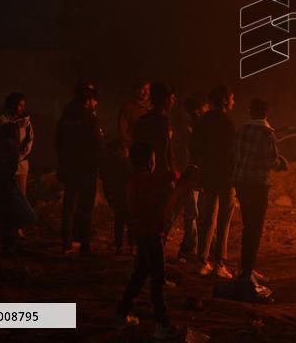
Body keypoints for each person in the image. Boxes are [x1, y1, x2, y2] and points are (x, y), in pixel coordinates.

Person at [115, 141, 193, 340]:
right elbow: (166, 203)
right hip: (152, 235)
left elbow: (166, 178)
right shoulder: (149, 182)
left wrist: (177, 177)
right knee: (157, 280)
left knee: (140, 274)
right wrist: (182, 185)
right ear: (151, 160)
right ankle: (162, 324)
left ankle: (122, 312)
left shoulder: (135, 181)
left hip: (142, 234)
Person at [231, 98, 289, 299]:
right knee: (255, 228)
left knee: (248, 225)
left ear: (249, 111)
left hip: (241, 183)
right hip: (257, 185)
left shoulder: (241, 131)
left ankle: (247, 269)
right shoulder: (266, 134)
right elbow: (271, 160)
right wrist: (281, 164)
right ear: (267, 113)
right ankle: (247, 273)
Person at [191, 84, 237, 278]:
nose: (234, 102)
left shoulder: (203, 121)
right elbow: (233, 152)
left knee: (207, 218)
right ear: (225, 101)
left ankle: (202, 261)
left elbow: (194, 149)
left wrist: (200, 171)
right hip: (226, 177)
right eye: (232, 98)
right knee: (223, 221)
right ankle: (219, 263)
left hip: (208, 176)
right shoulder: (227, 122)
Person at [56, 86, 104, 255]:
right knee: (86, 207)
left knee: (69, 206)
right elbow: (97, 143)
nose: (96, 103)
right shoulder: (90, 118)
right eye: (94, 100)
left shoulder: (66, 116)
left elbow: (58, 141)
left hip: (70, 167)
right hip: (87, 168)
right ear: (87, 101)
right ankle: (85, 244)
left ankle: (67, 243)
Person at [174, 93, 208, 261]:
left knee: (197, 213)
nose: (207, 110)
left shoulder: (197, 128)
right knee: (191, 213)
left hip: (197, 176)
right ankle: (191, 248)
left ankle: (195, 247)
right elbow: (181, 154)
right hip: (190, 176)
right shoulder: (186, 130)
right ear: (197, 110)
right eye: (205, 107)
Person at [0, 93, 34, 202]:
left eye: (23, 105)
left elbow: (29, 140)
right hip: (5, 163)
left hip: (21, 163)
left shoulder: (26, 122)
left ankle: (20, 219)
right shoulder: (3, 120)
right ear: (12, 105)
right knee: (6, 196)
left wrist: (19, 156)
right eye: (20, 105)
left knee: (21, 196)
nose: (22, 108)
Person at [134, 83, 176, 176]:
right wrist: (170, 175)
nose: (174, 101)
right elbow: (162, 154)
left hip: (144, 174)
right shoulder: (161, 122)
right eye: (172, 98)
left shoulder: (144, 120)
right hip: (157, 176)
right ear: (165, 100)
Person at [102, 138, 134, 255]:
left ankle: (119, 246)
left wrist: (108, 195)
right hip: (125, 196)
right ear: (122, 150)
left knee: (119, 220)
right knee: (130, 221)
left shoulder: (107, 164)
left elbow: (105, 179)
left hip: (114, 196)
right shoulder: (126, 163)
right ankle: (131, 246)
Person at [117, 81, 151, 156]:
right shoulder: (128, 108)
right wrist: (128, 146)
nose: (146, 92)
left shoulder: (151, 108)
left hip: (149, 150)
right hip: (134, 150)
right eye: (143, 89)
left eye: (148, 89)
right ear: (136, 90)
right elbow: (122, 130)